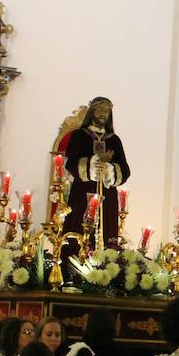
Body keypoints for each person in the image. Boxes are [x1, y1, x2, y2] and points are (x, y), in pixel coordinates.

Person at [63, 97, 130, 249]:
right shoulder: (79, 136)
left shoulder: (115, 140)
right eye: (99, 110)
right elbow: (71, 163)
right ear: (92, 112)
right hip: (82, 194)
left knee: (107, 238)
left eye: (106, 111)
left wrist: (109, 169)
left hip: (108, 197)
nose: (103, 114)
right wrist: (94, 163)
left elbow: (125, 170)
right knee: (79, 236)